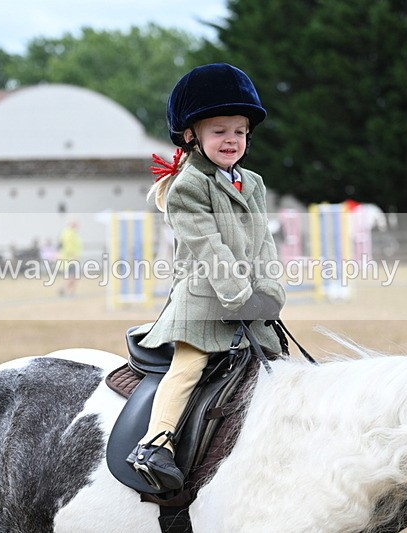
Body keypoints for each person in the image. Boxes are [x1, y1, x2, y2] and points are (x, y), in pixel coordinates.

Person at [126, 63, 286, 490]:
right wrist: (240, 296)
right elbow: (210, 249)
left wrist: (269, 291)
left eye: (239, 131)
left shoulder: (253, 183)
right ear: (191, 135)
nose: (231, 139)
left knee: (281, 371)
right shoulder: (189, 186)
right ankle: (154, 444)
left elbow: (264, 242)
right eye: (219, 131)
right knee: (189, 366)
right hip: (202, 302)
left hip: (249, 302)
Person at [57, 220, 81, 297]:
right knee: (72, 276)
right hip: (70, 258)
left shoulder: (69, 233)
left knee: (73, 276)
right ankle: (64, 289)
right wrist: (73, 255)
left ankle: (70, 292)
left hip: (69, 258)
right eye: (76, 224)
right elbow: (68, 246)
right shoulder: (69, 233)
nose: (78, 225)